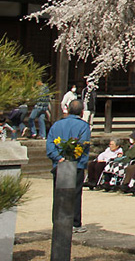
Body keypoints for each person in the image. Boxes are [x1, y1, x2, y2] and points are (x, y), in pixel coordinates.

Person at [46, 99, 90, 233]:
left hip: (59, 164)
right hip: (76, 165)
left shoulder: (56, 125)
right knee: (75, 194)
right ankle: (75, 223)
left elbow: (50, 145)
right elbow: (82, 145)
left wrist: (58, 157)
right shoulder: (83, 126)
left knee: (58, 193)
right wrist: (71, 157)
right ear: (82, 112)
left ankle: (58, 221)